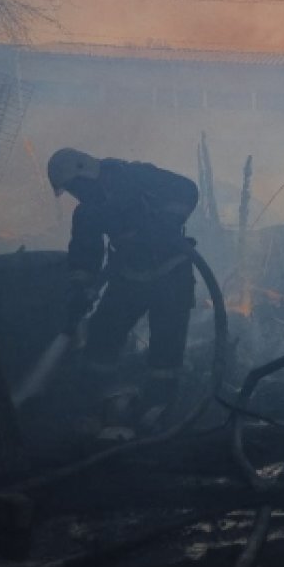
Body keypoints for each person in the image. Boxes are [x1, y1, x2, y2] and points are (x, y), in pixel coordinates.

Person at [47, 147, 199, 412]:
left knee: (166, 351)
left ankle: (159, 409)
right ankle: (93, 403)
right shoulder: (87, 212)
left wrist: (167, 221)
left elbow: (187, 190)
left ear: (86, 172)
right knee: (103, 335)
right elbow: (85, 254)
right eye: (71, 190)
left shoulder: (135, 175)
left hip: (171, 275)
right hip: (129, 277)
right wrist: (80, 289)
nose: (77, 194)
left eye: (76, 187)